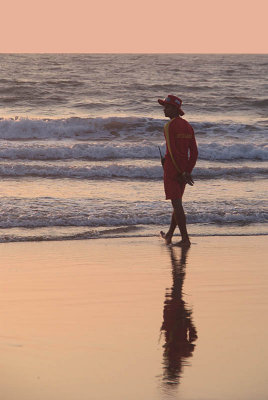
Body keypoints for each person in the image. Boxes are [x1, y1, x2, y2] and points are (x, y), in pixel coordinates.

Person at [158, 95, 198, 246]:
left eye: (167, 107)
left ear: (175, 109)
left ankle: (185, 239)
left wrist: (180, 172)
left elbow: (173, 152)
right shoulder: (188, 126)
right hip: (184, 170)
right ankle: (169, 235)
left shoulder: (169, 126)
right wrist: (187, 171)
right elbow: (194, 153)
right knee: (177, 203)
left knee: (177, 205)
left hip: (173, 170)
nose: (164, 110)